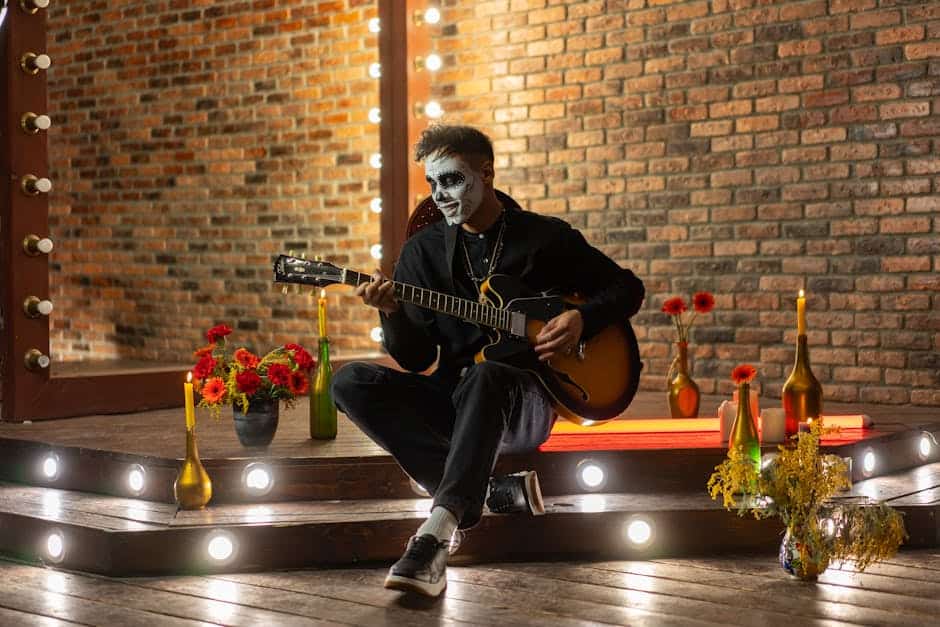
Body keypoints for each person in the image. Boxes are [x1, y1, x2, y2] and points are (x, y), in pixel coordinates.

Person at [332, 125, 645, 597]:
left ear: (487, 173)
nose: (440, 195)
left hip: (525, 401)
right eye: (433, 184)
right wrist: (391, 311)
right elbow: (416, 361)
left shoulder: (543, 238)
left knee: (488, 374)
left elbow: (627, 288)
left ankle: (436, 535)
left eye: (453, 180)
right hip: (453, 398)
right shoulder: (421, 253)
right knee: (350, 381)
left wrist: (581, 318)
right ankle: (488, 492)